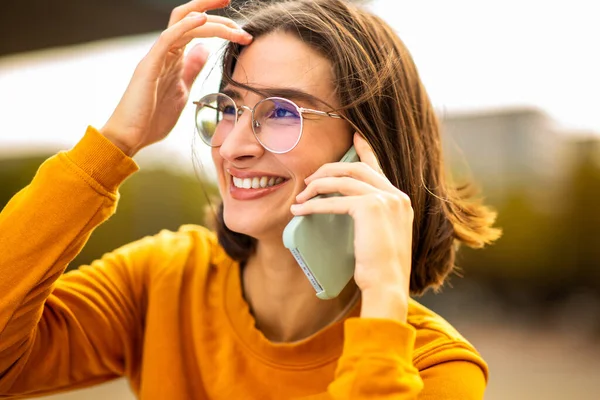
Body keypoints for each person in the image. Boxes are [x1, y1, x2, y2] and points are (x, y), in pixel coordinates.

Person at [0, 0, 501, 398]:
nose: (234, 146)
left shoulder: (435, 368)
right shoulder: (164, 279)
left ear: (368, 145)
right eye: (230, 107)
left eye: (281, 112)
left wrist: (383, 296)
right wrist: (114, 143)